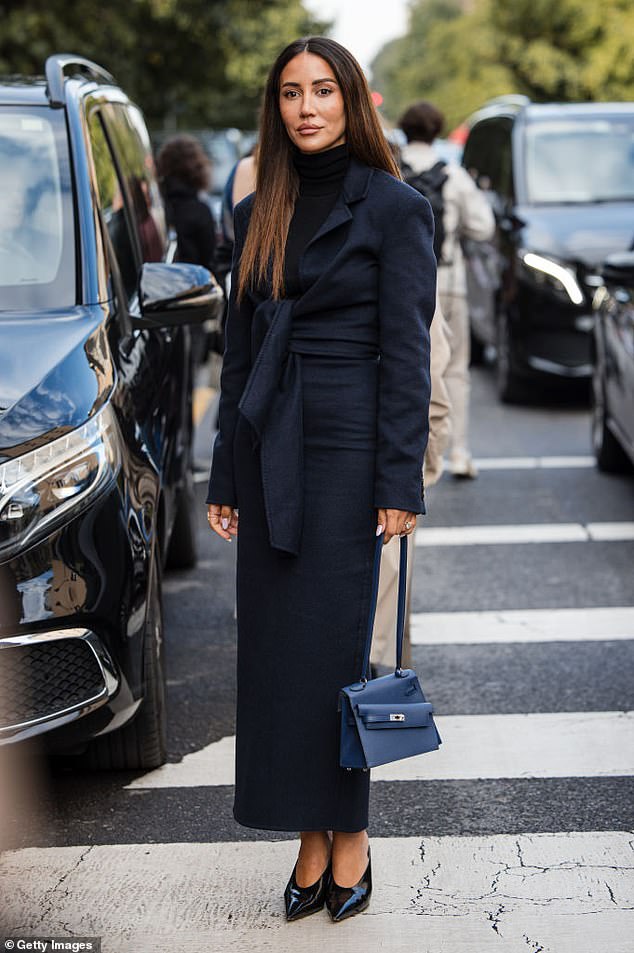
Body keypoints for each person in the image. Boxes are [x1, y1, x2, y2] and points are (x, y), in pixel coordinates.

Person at [206, 36, 436, 923]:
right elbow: (238, 357)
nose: (307, 107)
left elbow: (408, 357)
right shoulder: (256, 210)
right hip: (270, 452)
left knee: (340, 656)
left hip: (349, 454)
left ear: (353, 102)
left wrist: (400, 480)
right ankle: (310, 837)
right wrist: (226, 467)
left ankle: (350, 839)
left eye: (324, 91)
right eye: (293, 93)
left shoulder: (395, 208)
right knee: (278, 661)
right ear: (279, 106)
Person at [399, 100, 495, 478]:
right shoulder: (453, 176)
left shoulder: (390, 169)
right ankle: (458, 452)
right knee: (454, 369)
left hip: (403, 284)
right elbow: (484, 227)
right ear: (437, 131)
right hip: (447, 281)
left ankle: (414, 450)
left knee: (406, 365)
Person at [370, 296, 452, 671]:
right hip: (383, 462)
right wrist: (425, 472)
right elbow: (433, 397)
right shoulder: (401, 252)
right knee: (382, 608)